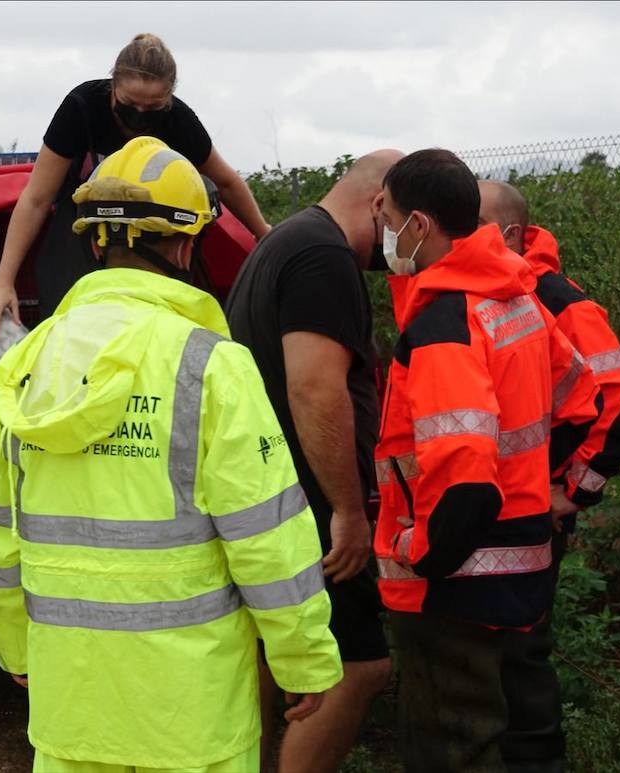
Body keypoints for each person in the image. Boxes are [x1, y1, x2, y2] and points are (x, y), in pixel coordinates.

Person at [0, 136, 342, 773]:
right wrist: (301, 659)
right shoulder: (211, 365)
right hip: (191, 719)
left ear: (93, 244)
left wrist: (17, 650)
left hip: (72, 709)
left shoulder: (29, 365)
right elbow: (267, 538)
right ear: (188, 246)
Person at [372, 150, 600, 772]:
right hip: (521, 567)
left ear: (420, 225)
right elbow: (581, 402)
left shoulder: (446, 325)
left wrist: (423, 554)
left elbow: (465, 484)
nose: (382, 230)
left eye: (386, 215)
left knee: (453, 747)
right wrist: (542, 487)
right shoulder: (518, 303)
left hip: (453, 591)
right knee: (515, 736)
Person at [225, 150, 403, 772]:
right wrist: (349, 511)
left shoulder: (284, 243)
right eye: (409, 214)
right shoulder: (322, 257)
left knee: (273, 660)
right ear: (381, 202)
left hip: (272, 495)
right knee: (357, 667)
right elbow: (315, 387)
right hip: (314, 508)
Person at [479, 180, 620, 772]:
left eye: (472, 223)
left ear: (513, 235)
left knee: (521, 656)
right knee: (496, 656)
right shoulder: (495, 292)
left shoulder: (552, 296)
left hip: (534, 511)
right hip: (497, 511)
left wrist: (575, 492)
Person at [0, 33, 270, 335]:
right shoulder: (82, 107)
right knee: (69, 318)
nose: (138, 116)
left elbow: (227, 182)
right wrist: (3, 282)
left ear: (168, 99)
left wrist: (264, 234)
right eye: (128, 105)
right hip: (84, 227)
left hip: (154, 236)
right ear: (112, 86)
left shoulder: (179, 119)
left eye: (152, 108)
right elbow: (36, 198)